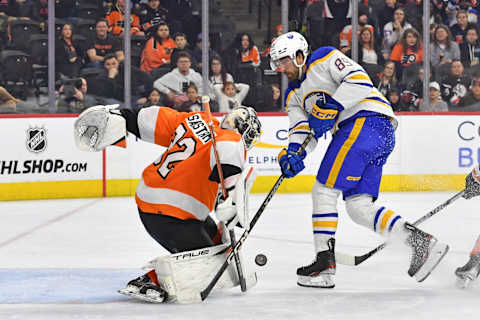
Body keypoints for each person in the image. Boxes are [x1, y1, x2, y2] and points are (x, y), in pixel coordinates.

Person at [269, 31, 449, 288]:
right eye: (277, 63)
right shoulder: (294, 97)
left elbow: (358, 79)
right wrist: (293, 154)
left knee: (323, 191)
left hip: (366, 122)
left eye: (284, 61)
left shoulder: (323, 57)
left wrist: (332, 106)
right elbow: (302, 133)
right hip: (378, 135)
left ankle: (324, 263)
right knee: (358, 207)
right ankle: (422, 244)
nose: (280, 68)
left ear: (300, 55)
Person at [73, 104, 262, 303]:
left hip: (153, 199)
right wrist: (232, 199)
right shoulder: (232, 141)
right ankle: (149, 281)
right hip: (171, 214)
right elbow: (229, 163)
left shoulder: (197, 119)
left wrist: (123, 115)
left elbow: (150, 120)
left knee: (216, 242)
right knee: (209, 264)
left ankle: (207, 250)